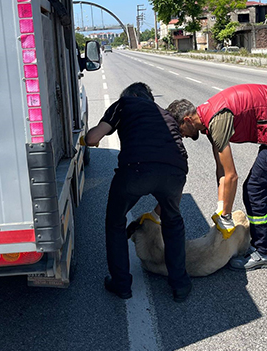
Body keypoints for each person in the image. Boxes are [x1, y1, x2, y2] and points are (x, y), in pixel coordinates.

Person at [167, 84, 267, 271]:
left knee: (254, 188)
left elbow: (231, 175)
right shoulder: (207, 120)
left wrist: (226, 216)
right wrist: (220, 205)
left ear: (187, 120)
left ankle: (263, 252)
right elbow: (221, 169)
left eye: (180, 130)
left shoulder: (215, 121)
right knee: (266, 183)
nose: (181, 136)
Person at [82, 82, 192, 302]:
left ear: (130, 95)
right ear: (149, 98)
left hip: (137, 171)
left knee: (115, 221)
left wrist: (84, 140)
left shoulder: (123, 105)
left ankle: (121, 284)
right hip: (175, 170)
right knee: (173, 222)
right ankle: (179, 284)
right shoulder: (164, 113)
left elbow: (93, 138)